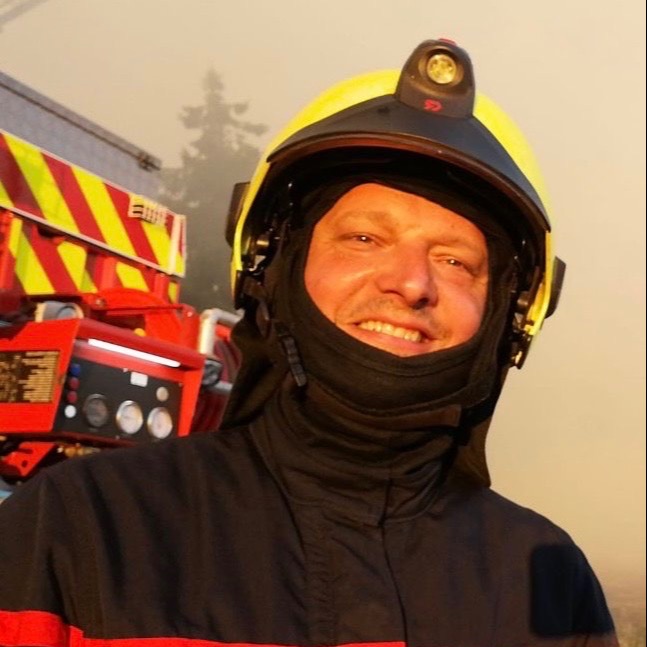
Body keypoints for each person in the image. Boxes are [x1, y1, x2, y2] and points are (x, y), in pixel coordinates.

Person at [0, 39, 617, 646]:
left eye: (455, 261)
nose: (411, 283)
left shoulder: (548, 583)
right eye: (364, 239)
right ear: (272, 265)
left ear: (511, 317)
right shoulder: (80, 530)